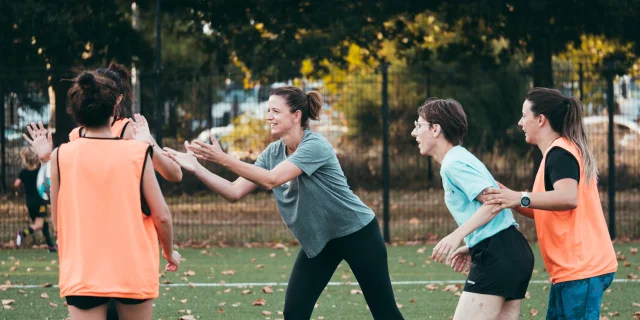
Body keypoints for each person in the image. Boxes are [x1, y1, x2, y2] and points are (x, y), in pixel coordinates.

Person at [164, 86, 404, 320]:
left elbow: (271, 180)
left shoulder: (315, 146)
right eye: (268, 111)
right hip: (319, 242)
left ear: (296, 115)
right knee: (294, 313)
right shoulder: (272, 152)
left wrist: (223, 159)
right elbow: (234, 191)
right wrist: (196, 168)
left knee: (385, 313)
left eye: (275, 111)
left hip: (358, 234)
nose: (268, 117)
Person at [49, 70, 181, 320]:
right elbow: (162, 215)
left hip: (83, 270)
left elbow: (58, 221)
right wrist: (168, 251)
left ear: (76, 113)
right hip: (132, 268)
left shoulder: (60, 156)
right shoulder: (137, 153)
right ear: (114, 109)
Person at [483, 88, 618, 319]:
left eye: (524, 116)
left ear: (541, 119)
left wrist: (520, 196)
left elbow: (567, 198)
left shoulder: (560, 153)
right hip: (571, 272)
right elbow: (544, 210)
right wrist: (506, 195)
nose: (520, 122)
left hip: (582, 269)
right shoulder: (555, 154)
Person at [412, 98, 534, 320]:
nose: (414, 133)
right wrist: (473, 245)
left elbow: (495, 202)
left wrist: (457, 236)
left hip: (498, 254)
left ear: (436, 129)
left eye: (418, 125)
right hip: (510, 250)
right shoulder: (460, 158)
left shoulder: (454, 164)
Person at [24, 61, 182, 183]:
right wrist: (46, 160)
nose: (98, 96)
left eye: (106, 92)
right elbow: (54, 192)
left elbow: (175, 174)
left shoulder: (130, 130)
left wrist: (150, 145)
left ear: (118, 98)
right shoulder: (75, 136)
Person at [13, 147, 57, 252]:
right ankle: (21, 234)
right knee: (39, 224)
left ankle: (50, 245)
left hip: (29, 202)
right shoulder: (40, 171)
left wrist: (18, 191)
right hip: (40, 201)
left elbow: (16, 184)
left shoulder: (23, 172)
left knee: (44, 222)